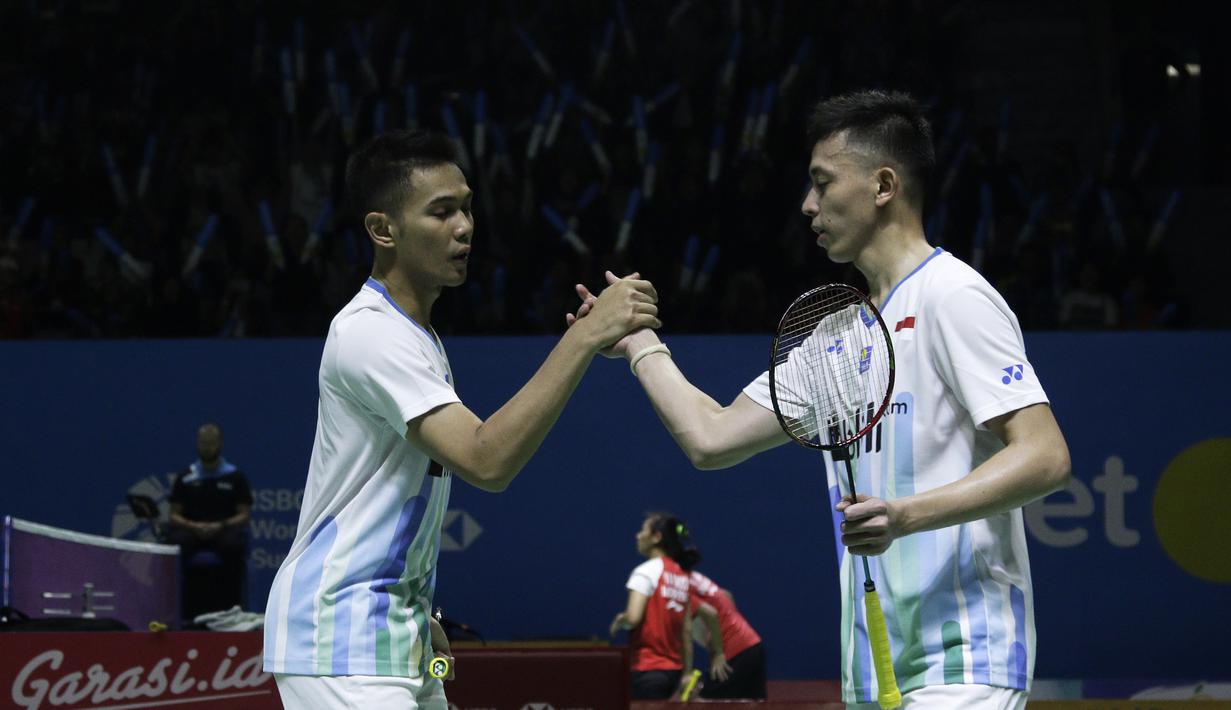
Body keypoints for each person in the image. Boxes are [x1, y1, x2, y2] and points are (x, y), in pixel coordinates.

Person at [572, 90, 1072, 709]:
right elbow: (712, 438)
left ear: (883, 185)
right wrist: (641, 344)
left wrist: (906, 515)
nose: (808, 204)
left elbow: (1045, 456)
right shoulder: (837, 336)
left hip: (963, 656)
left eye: (823, 182)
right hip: (875, 670)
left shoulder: (953, 297)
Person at [262, 129, 659, 710]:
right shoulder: (369, 333)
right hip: (341, 639)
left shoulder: (415, 335)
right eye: (441, 211)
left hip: (398, 636)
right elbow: (486, 459)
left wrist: (416, 612)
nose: (464, 227)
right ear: (383, 229)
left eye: (467, 208)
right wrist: (584, 338)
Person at [165, 423, 253, 621]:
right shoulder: (185, 477)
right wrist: (194, 526)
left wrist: (220, 525)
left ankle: (232, 609)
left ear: (220, 444)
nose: (207, 447)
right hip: (192, 530)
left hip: (223, 529)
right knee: (175, 544)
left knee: (233, 546)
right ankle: (180, 613)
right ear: (198, 444)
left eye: (211, 443)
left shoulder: (235, 477)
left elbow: (244, 514)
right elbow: (174, 514)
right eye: (203, 443)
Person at [609, 513, 698, 700]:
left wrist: (620, 621)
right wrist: (687, 673)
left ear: (657, 537)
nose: (638, 536)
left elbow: (633, 618)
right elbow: (687, 630)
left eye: (643, 530)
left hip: (647, 671)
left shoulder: (645, 571)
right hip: (674, 673)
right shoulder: (681, 576)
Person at [689, 569, 767, 699]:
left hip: (734, 654)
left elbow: (711, 614)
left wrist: (719, 653)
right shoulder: (696, 579)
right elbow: (726, 595)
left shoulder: (679, 588)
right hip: (753, 645)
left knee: (703, 701)